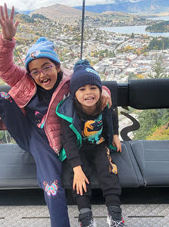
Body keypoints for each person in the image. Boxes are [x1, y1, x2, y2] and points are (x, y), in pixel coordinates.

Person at [0, 4, 113, 227]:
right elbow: (3, 67)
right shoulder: (24, 80)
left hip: (52, 144)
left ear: (57, 66)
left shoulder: (69, 82)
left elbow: (90, 83)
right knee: (2, 99)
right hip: (28, 133)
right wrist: (6, 39)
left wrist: (105, 92)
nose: (41, 74)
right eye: (35, 71)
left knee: (52, 188)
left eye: (46, 67)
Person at [56, 60, 125, 227]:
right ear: (74, 93)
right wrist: (77, 169)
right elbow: (69, 142)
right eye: (82, 89)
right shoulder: (68, 113)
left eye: (93, 88)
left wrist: (115, 134)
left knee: (108, 170)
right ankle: (85, 215)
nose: (88, 93)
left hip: (99, 144)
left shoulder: (103, 103)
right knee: (79, 178)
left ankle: (115, 213)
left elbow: (111, 115)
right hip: (78, 149)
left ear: (100, 90)